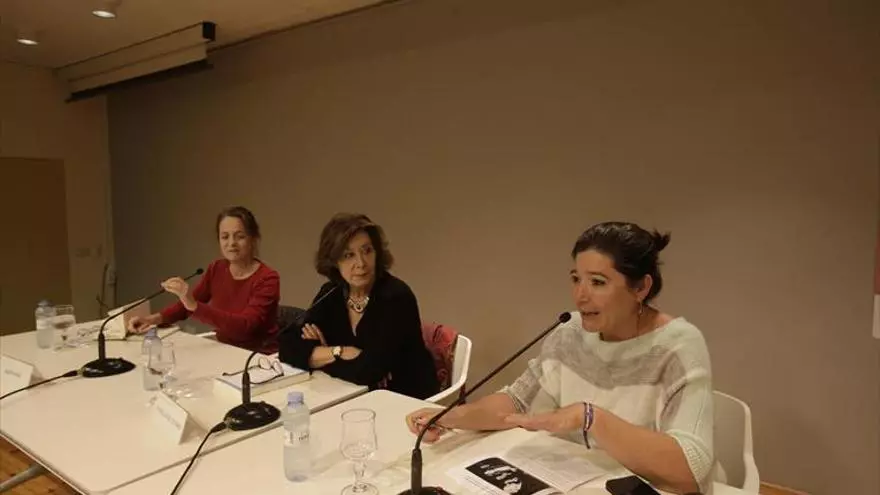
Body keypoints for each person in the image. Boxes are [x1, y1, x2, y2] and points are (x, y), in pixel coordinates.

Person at [406, 222, 714, 494]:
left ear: (641, 287)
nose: (580, 295)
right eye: (576, 279)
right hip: (576, 480)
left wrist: (590, 418)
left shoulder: (678, 345)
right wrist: (450, 417)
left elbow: (691, 469)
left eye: (598, 282)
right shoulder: (571, 332)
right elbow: (517, 402)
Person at [279, 213, 439, 399]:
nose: (361, 263)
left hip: (406, 399)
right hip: (353, 395)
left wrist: (318, 356)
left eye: (367, 251)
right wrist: (340, 351)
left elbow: (368, 372)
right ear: (334, 261)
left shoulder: (396, 297)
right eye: (349, 255)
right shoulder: (331, 293)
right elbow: (287, 346)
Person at [128, 206, 281, 354]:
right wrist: (151, 320)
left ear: (253, 239)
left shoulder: (268, 278)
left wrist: (194, 305)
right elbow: (186, 306)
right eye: (225, 237)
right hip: (225, 350)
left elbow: (245, 327)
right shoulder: (217, 268)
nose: (231, 243)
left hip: (259, 358)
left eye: (240, 236)